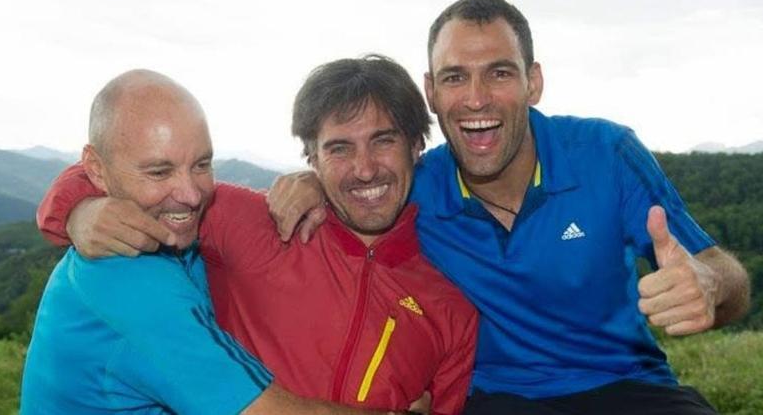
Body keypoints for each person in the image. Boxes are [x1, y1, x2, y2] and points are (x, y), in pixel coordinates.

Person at [266, 0, 751, 414]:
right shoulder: (415, 187)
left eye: (498, 73)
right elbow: (363, 183)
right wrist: (315, 182)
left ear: (532, 82)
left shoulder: (607, 154)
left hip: (629, 387)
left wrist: (709, 285)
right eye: (455, 77)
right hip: (495, 399)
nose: (476, 99)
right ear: (431, 92)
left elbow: (723, 277)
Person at [35, 57, 478, 414]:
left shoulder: (451, 315)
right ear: (312, 158)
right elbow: (128, 174)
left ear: (417, 146)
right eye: (339, 148)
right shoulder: (249, 222)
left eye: (383, 141)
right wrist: (77, 209)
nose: (364, 169)